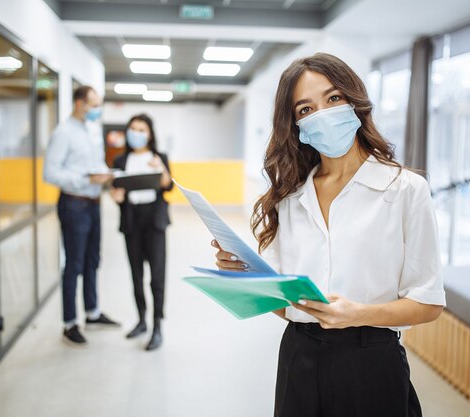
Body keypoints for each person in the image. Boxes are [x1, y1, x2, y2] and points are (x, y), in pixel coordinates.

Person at [212, 53, 445, 416]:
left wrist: (360, 314)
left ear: (355, 102)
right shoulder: (290, 198)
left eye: (333, 98)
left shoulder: (405, 190)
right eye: (305, 109)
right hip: (298, 357)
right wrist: (245, 278)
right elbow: (289, 308)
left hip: (372, 361)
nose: (321, 114)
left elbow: (428, 304)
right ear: (296, 125)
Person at [44, 85, 120, 348]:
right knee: (74, 264)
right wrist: (85, 179)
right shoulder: (63, 133)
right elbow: (50, 173)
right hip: (73, 204)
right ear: (79, 103)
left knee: (93, 260)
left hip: (93, 202)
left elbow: (96, 163)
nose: (97, 109)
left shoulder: (92, 130)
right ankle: (69, 323)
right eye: (94, 104)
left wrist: (106, 176)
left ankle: (93, 312)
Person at [110, 113, 173, 351]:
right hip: (131, 220)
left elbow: (167, 185)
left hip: (154, 220)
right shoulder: (120, 160)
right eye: (132, 129)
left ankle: (157, 326)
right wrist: (116, 197)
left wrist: (160, 168)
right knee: (136, 274)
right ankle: (141, 320)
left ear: (150, 133)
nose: (136, 133)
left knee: (157, 276)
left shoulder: (159, 157)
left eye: (141, 129)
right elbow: (117, 191)